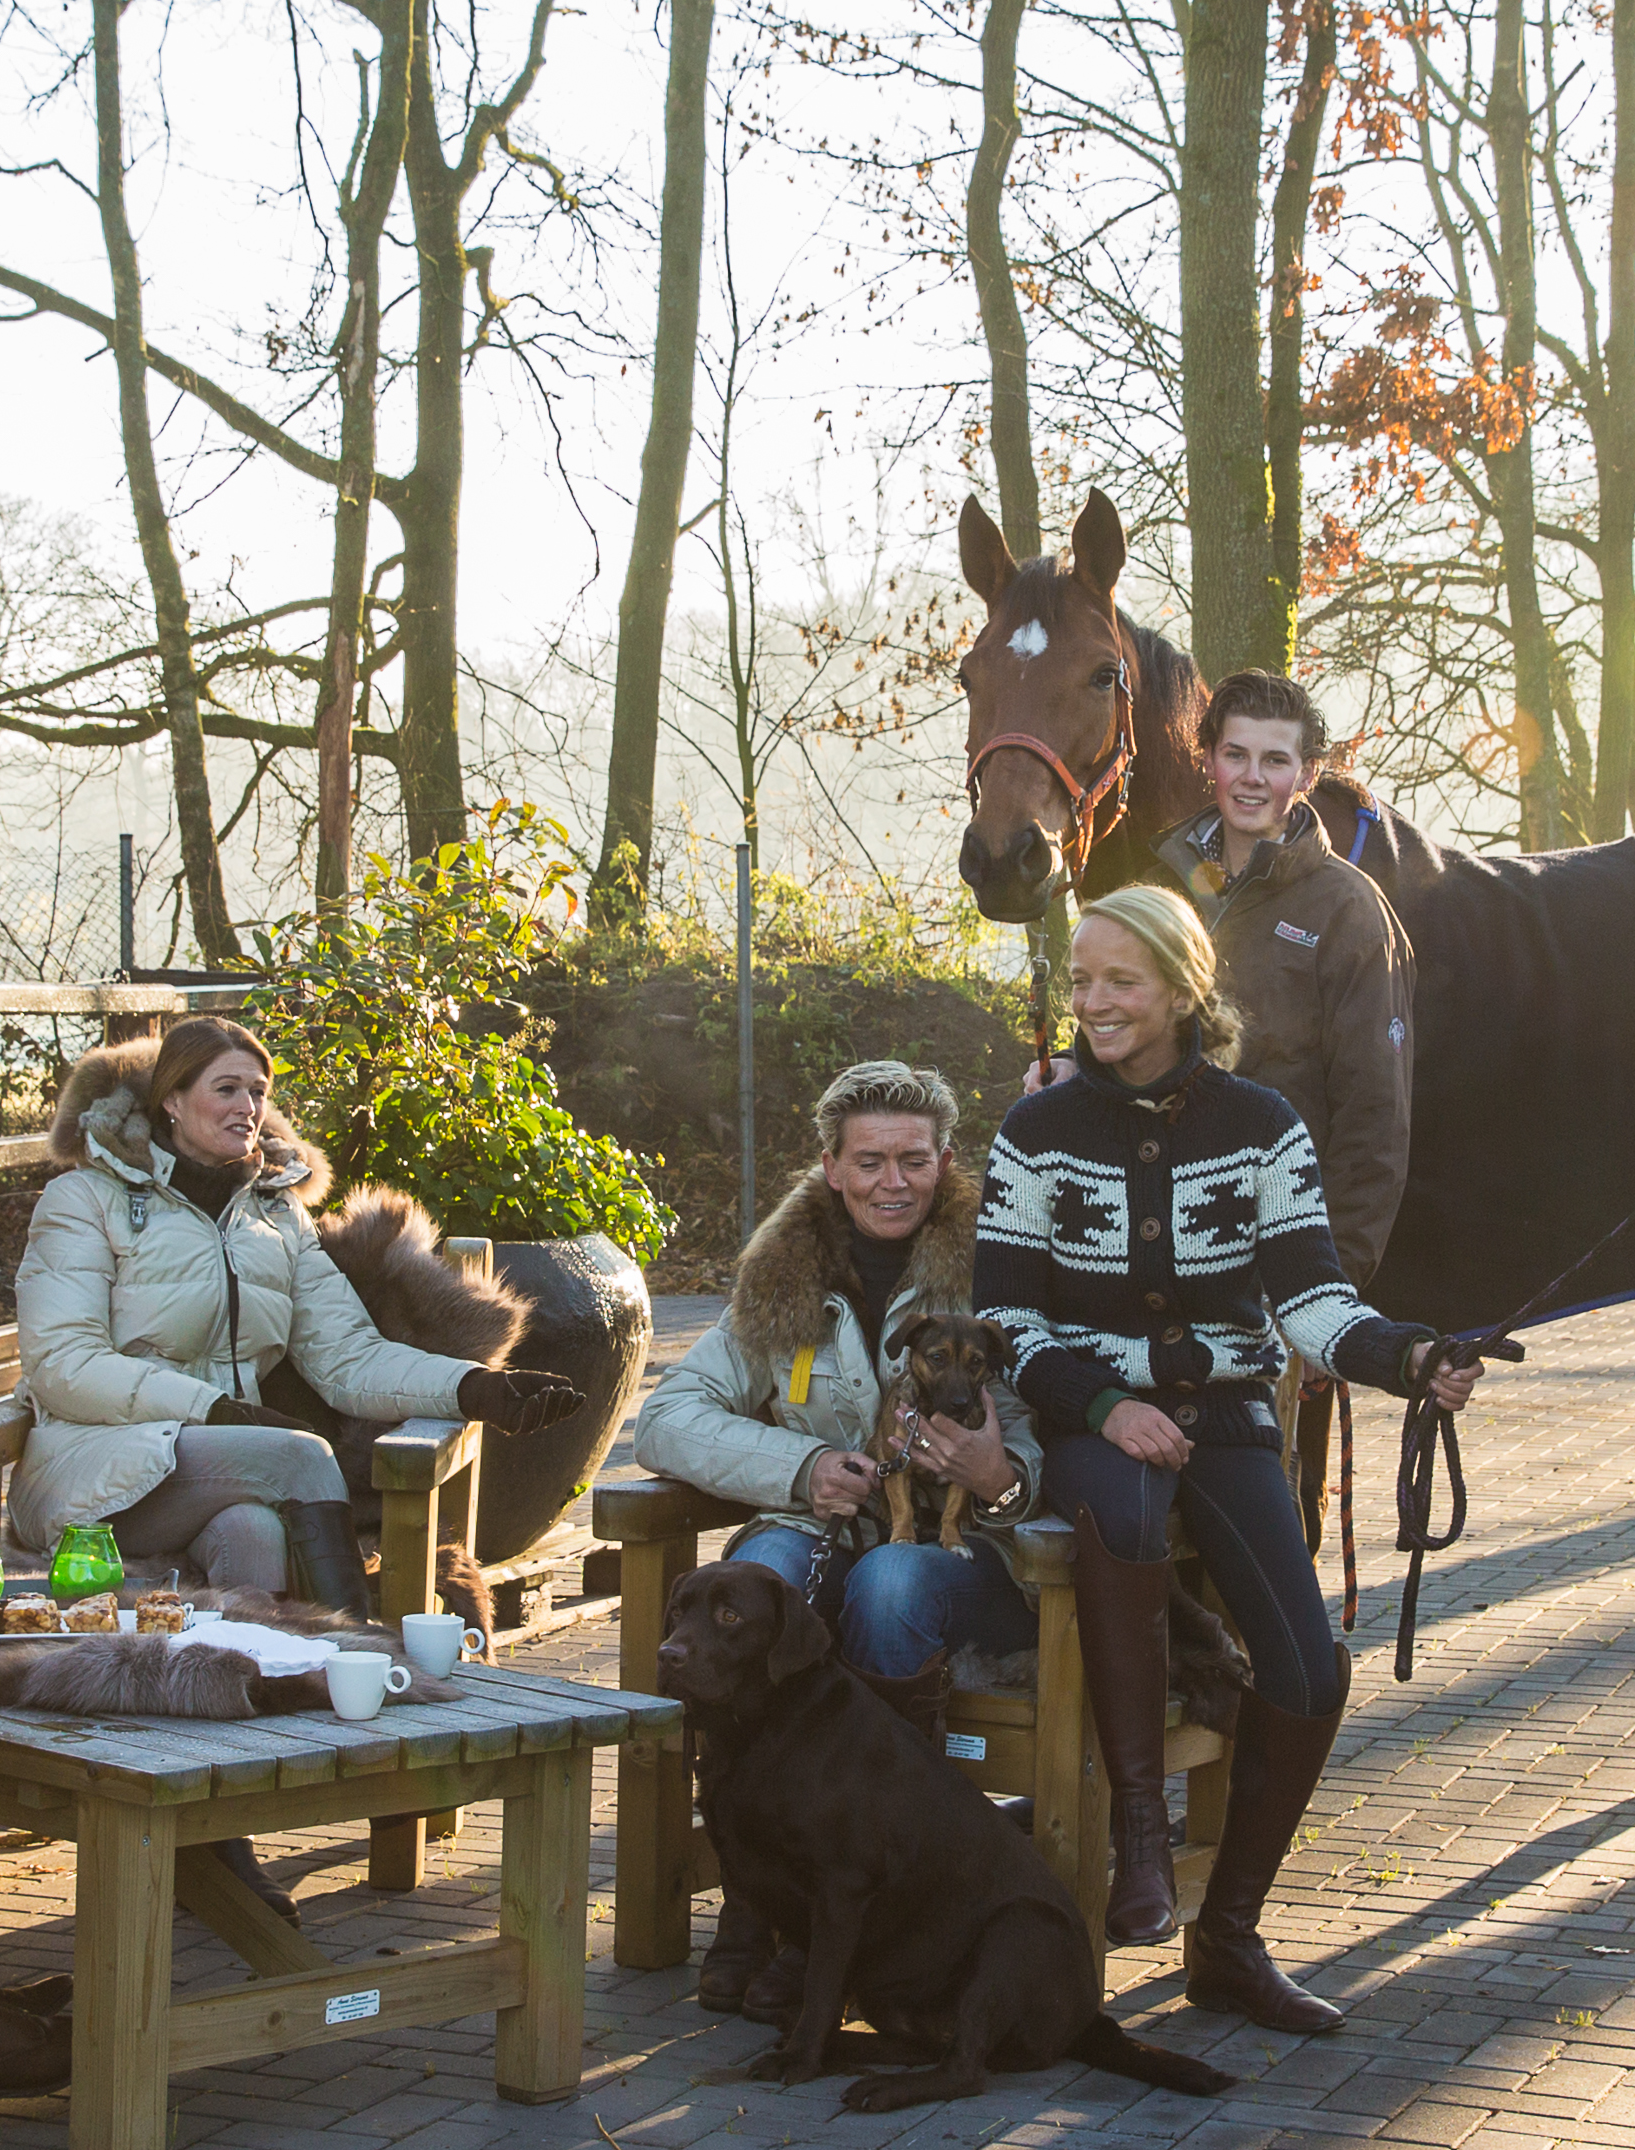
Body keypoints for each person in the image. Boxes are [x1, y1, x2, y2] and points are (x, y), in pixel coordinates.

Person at [976, 882, 1482, 2034]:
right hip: (1091, 1423)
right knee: (1125, 1517)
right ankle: (1140, 1837)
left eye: (1120, 982)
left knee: (1309, 1669)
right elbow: (1006, 1317)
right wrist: (1102, 1406)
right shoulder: (1036, 1132)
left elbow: (1309, 1300)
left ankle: (1231, 1937)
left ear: (1180, 987)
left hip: (1229, 1416)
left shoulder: (1260, 1126)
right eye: (1082, 981)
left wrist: (1405, 1359)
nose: (1093, 1004)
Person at [12, 1018, 583, 1608]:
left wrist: (473, 1388)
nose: (249, 1107)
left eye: (258, 1091)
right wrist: (211, 1409)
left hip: (228, 1472)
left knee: (252, 1534)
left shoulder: (275, 1216)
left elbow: (346, 1355)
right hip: (93, 1467)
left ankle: (267, 1682)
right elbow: (63, 1362)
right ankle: (362, 1647)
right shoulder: (83, 1201)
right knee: (301, 1455)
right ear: (173, 1101)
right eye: (226, 1089)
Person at [632, 1059, 1035, 1750]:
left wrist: (1001, 1475)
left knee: (889, 1582)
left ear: (943, 1161)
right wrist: (804, 1465)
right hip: (815, 1530)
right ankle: (751, 1802)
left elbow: (1038, 1421)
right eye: (870, 1161)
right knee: (755, 1589)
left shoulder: (996, 1273)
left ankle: (890, 1816)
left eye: (913, 1160)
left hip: (962, 1553)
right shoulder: (779, 1284)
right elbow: (665, 1419)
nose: (893, 1182)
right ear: (832, 1166)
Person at [1161, 669, 1414, 1287]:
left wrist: (1334, 1293)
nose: (1251, 778)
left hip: (1277, 1256)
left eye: (1274, 760)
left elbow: (1374, 1122)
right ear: (1209, 761)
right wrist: (1070, 1065)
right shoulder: (1163, 889)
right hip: (1153, 1241)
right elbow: (1119, 1022)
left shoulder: (1348, 912)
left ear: (1305, 776)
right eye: (1235, 755)